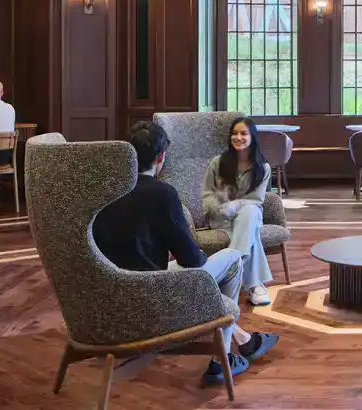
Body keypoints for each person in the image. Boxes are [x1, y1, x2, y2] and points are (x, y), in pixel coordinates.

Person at [92, 121, 278, 386]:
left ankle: (244, 340)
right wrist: (198, 252)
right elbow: (191, 260)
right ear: (161, 158)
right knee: (233, 259)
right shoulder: (162, 194)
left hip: (109, 296)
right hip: (151, 294)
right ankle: (222, 358)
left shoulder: (103, 190)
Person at [200, 115, 276, 307]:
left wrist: (235, 205)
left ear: (252, 137)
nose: (238, 137)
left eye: (244, 133)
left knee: (249, 213)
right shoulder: (217, 163)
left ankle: (234, 263)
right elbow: (206, 196)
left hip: (249, 215)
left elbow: (256, 200)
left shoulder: (263, 168)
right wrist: (219, 206)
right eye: (235, 133)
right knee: (251, 232)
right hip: (222, 218)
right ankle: (255, 286)